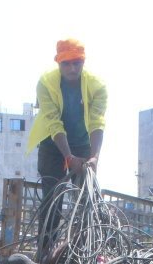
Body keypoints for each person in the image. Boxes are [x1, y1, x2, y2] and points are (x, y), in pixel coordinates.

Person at [27, 38, 107, 247]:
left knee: (86, 199)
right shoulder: (46, 83)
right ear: (58, 63)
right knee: (52, 198)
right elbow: (53, 122)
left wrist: (94, 157)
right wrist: (68, 157)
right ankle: (45, 251)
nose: (72, 68)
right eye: (66, 63)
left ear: (83, 62)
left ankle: (86, 249)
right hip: (53, 145)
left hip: (82, 143)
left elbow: (98, 122)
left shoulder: (97, 86)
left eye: (76, 63)